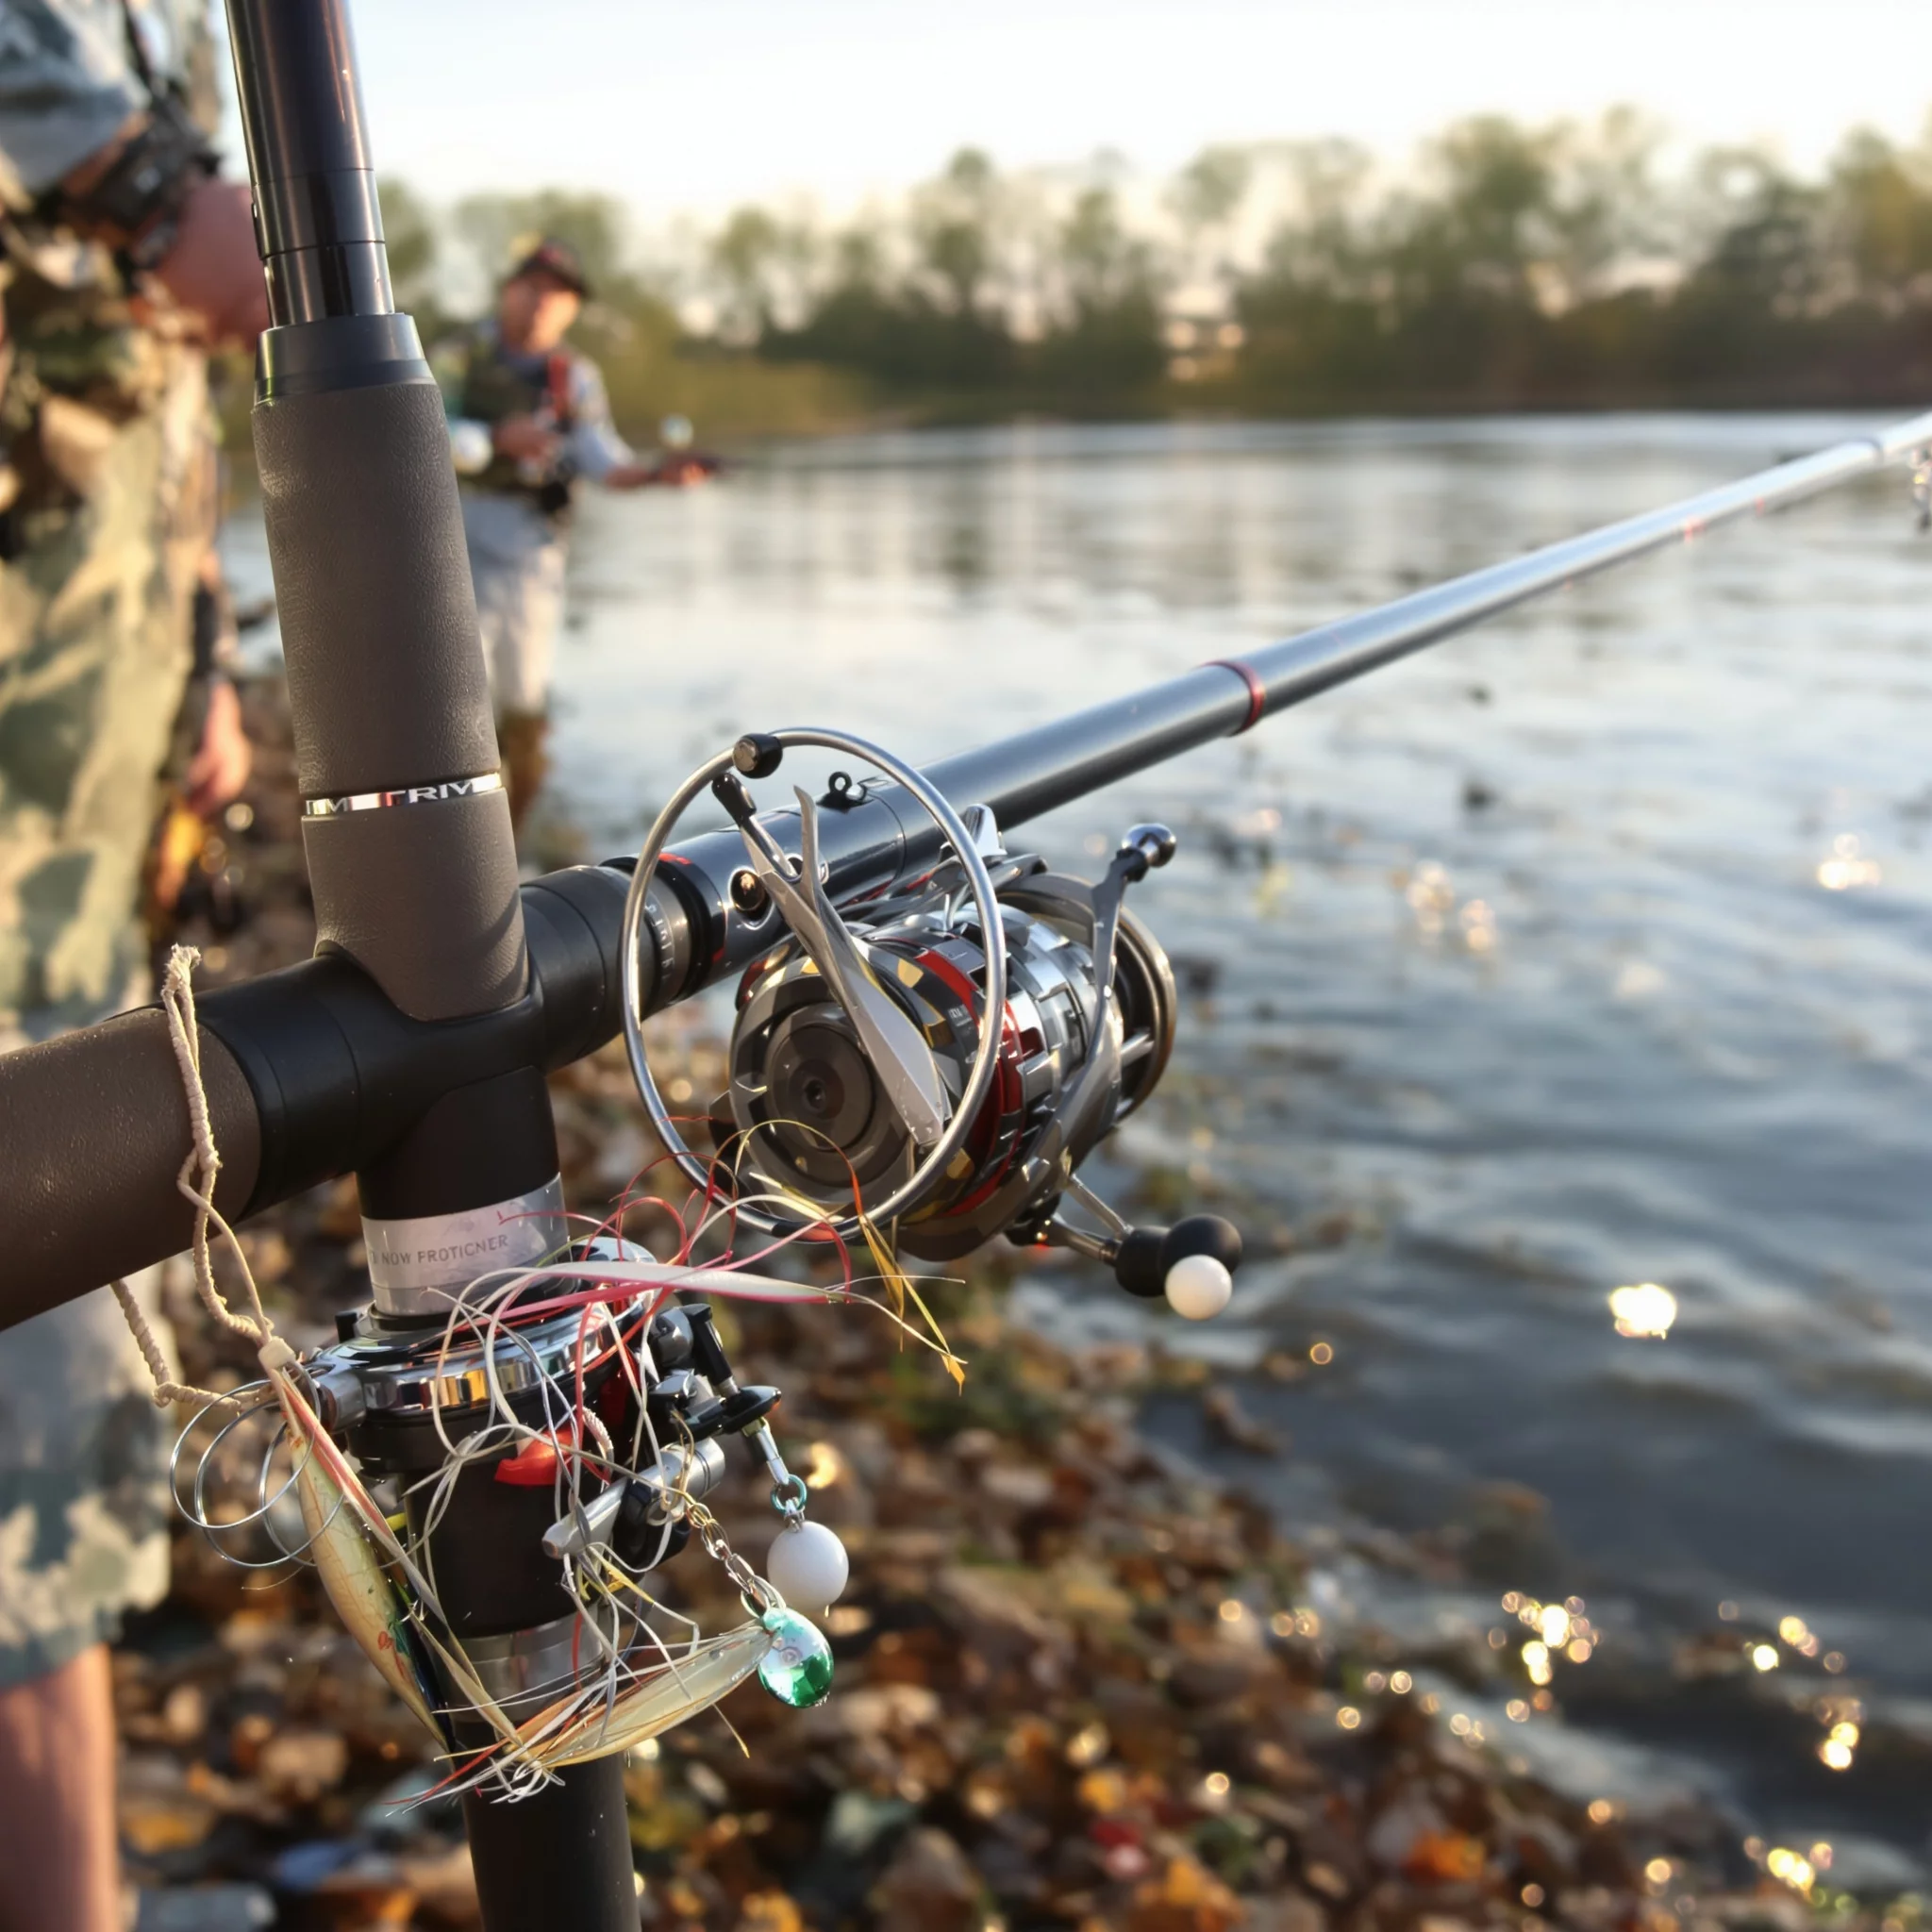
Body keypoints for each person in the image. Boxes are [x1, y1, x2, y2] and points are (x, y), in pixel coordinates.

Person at [0, 4, 266, 1926]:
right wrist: (162, 185)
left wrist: (208, 656)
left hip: (87, 824)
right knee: (33, 1434)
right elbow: (197, 257)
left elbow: (146, 370)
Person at [434, 238, 662, 829]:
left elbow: (600, 455)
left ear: (571, 310)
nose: (543, 303)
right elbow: (415, 426)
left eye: (558, 296)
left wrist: (653, 473)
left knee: (525, 701)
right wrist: (491, 434)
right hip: (450, 535)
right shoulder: (458, 355)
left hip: (535, 549)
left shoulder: (575, 378)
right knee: (458, 696)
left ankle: (510, 839)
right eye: (533, 288)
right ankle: (458, 830)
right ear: (510, 291)